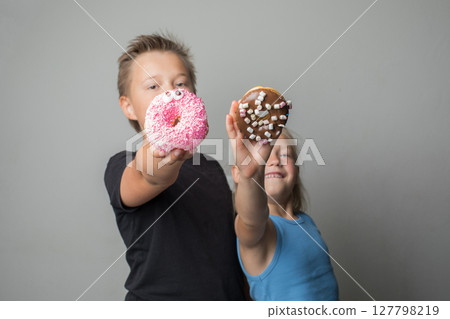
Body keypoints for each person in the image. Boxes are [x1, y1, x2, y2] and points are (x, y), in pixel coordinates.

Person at [104, 34, 245, 301]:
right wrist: (161, 150)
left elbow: (236, 246)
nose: (171, 92)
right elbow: (151, 177)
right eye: (153, 86)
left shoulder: (211, 168)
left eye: (180, 83)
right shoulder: (122, 165)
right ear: (129, 107)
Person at [226, 100, 339, 300]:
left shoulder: (307, 222)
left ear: (296, 170)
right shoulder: (261, 231)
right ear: (237, 175)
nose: (274, 161)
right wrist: (250, 176)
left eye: (284, 154)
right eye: (264, 157)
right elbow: (252, 218)